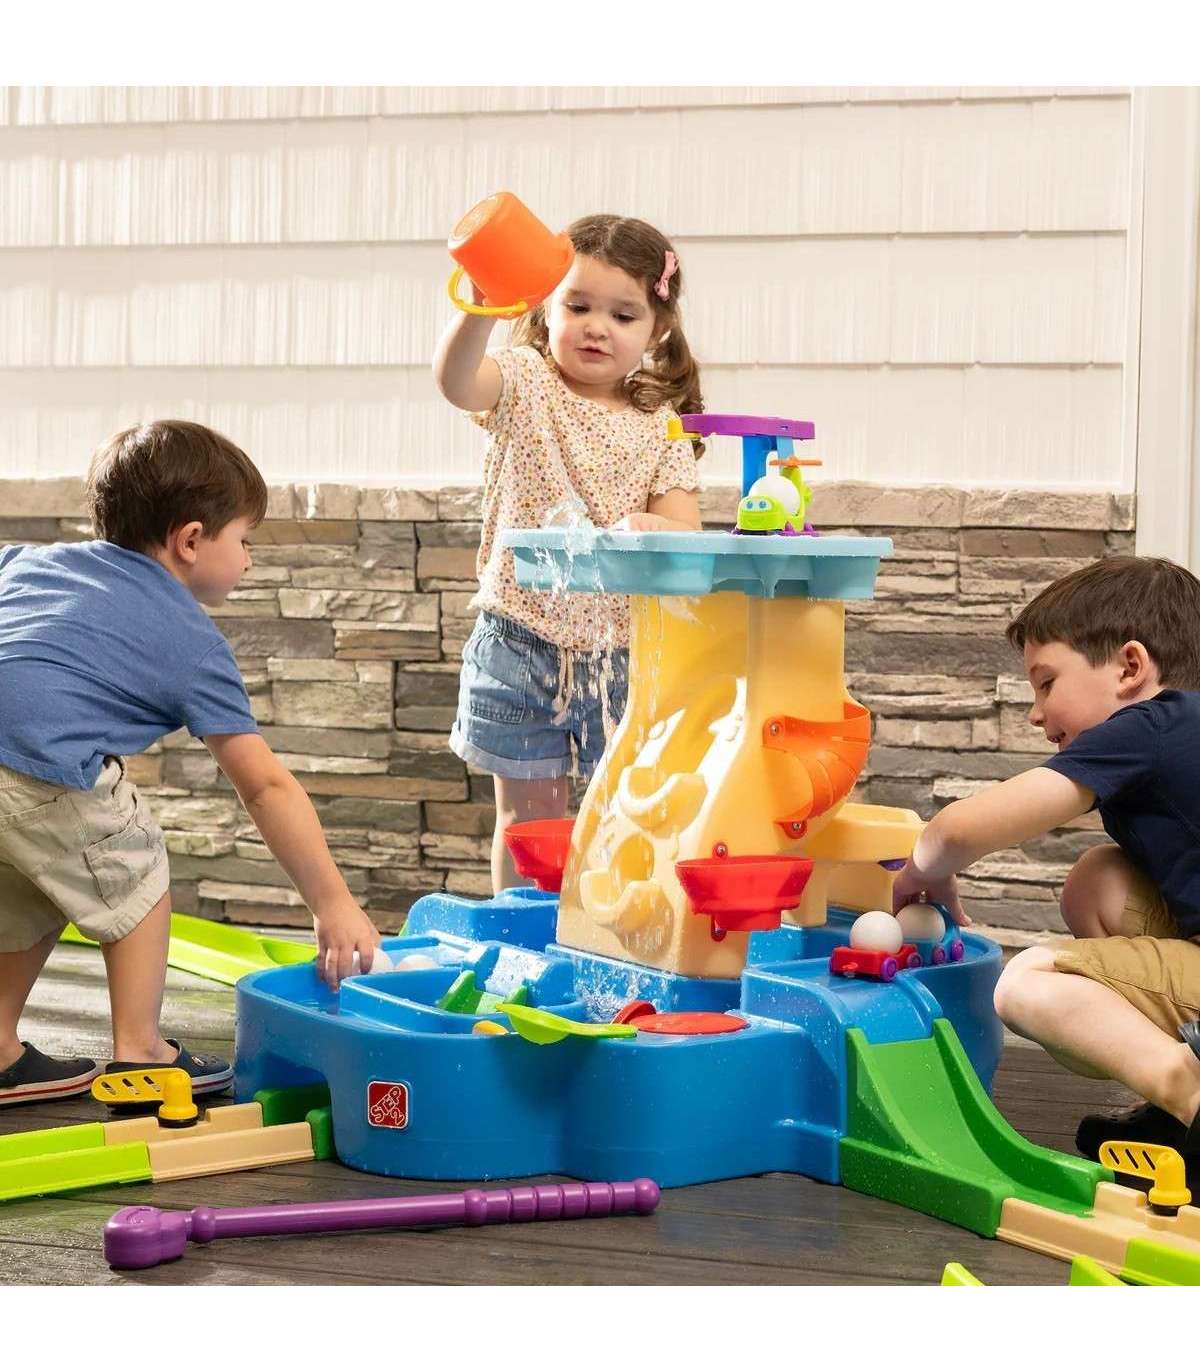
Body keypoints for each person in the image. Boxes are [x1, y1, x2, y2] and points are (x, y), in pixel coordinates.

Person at [0, 420, 381, 1107]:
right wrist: (333, 903)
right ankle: (141, 1051)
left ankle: (0, 1050)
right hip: (40, 770)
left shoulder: (31, 563)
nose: (249, 560)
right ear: (191, 540)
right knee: (131, 865)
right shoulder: (192, 643)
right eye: (245, 540)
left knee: (34, 883)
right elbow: (263, 786)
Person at [890, 555, 1200, 1170]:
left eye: (1047, 682)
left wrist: (922, 870)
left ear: (1130, 667)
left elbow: (955, 831)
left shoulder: (1151, 726)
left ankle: (1191, 1099)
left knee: (1028, 984)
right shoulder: (1183, 729)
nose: (1035, 713)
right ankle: (1176, 1106)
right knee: (1098, 880)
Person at [433, 213, 704, 892]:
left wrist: (650, 525)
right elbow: (457, 383)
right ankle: (522, 935)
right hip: (519, 640)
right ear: (545, 310)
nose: (596, 327)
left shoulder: (660, 425)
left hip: (623, 652)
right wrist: (481, 310)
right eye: (577, 306)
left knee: (626, 816)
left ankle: (606, 929)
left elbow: (684, 529)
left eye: (622, 314)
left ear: (657, 330)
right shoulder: (526, 381)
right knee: (529, 826)